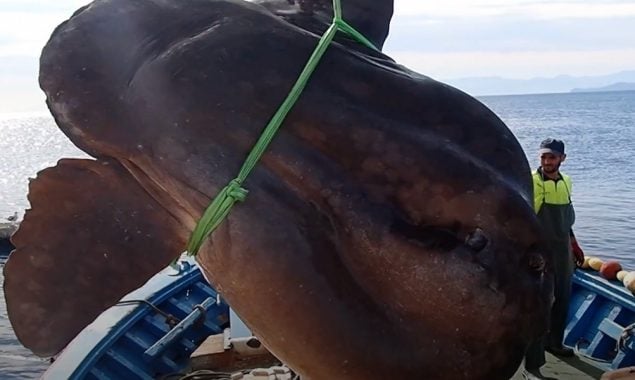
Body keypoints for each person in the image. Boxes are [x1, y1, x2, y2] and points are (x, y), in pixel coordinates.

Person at [522, 138, 585, 380]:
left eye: (552, 157)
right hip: (539, 254)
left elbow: (566, 220)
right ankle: (533, 366)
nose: (547, 162)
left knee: (563, 299)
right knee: (540, 306)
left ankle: (555, 343)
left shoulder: (566, 182)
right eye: (543, 157)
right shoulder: (531, 181)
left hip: (563, 252)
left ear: (562, 159)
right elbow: (523, 219)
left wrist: (574, 243)